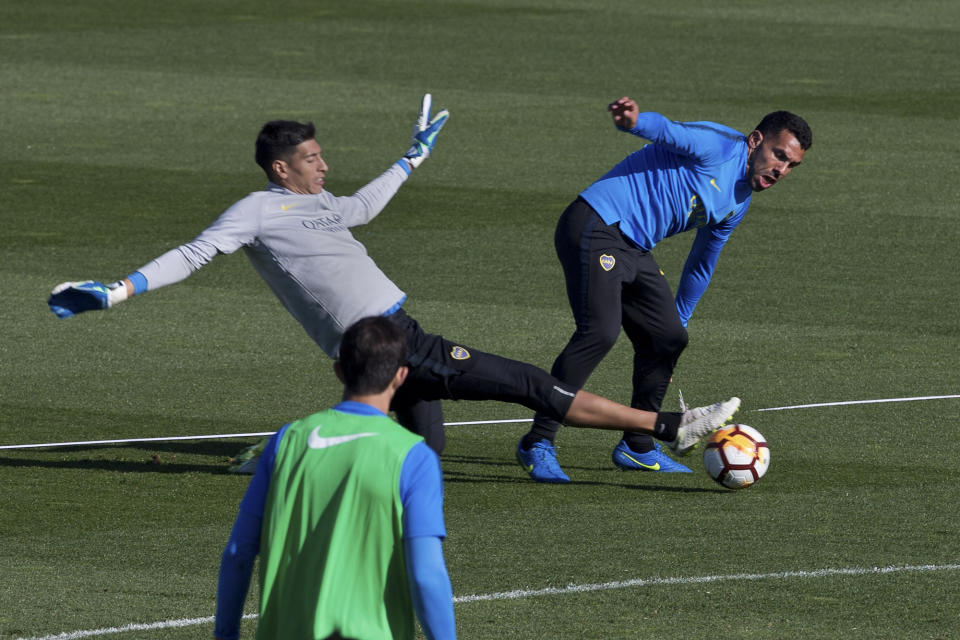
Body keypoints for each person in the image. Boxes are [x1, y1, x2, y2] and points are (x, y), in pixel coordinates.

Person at [47, 94, 740, 477]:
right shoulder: (255, 213)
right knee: (530, 382)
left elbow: (363, 207)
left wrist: (411, 158)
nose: (324, 165)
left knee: (423, 463)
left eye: (321, 155)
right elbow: (193, 255)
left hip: (388, 338)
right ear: (280, 169)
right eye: (312, 159)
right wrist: (118, 291)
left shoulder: (319, 204)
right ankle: (670, 426)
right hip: (386, 339)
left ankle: (291, 447)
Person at [516, 96, 812, 483]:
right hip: (595, 224)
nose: (782, 169)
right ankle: (537, 442)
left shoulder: (738, 201)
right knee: (599, 333)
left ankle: (637, 446)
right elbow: (670, 131)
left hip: (633, 247)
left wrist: (677, 321)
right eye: (779, 155)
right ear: (756, 140)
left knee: (669, 337)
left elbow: (701, 263)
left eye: (791, 165)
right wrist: (634, 122)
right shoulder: (719, 147)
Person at [213, 316, 456, 640]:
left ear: (339, 371)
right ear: (401, 376)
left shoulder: (287, 441)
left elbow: (238, 553)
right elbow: (426, 575)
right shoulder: (413, 457)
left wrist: (225, 634)